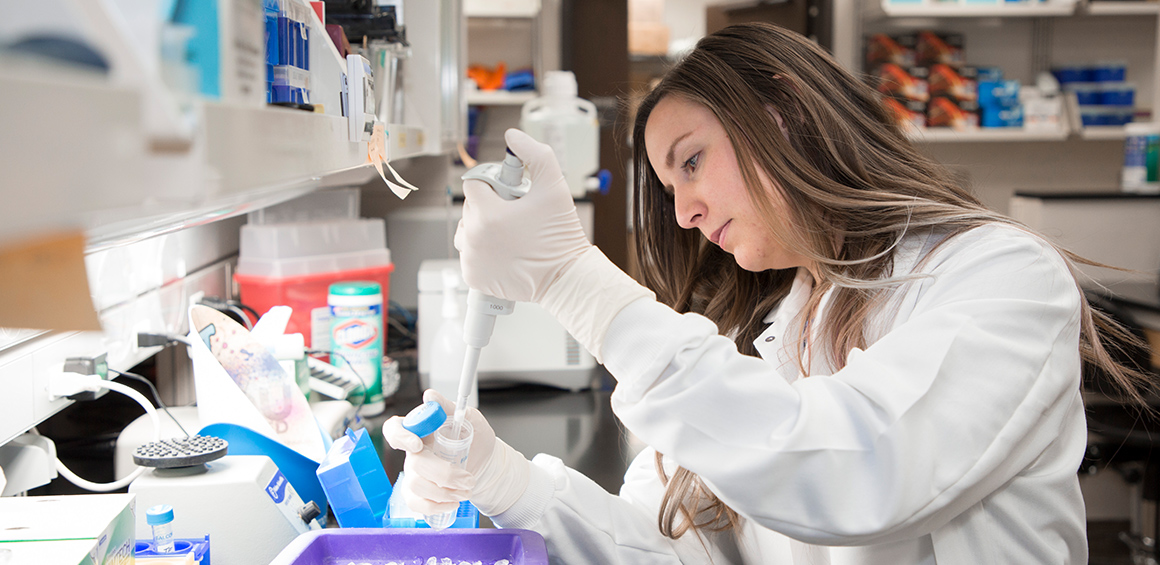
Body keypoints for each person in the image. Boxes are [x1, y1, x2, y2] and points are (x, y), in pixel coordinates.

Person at [384, 22, 1151, 564]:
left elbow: (857, 467)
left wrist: (570, 280)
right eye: (667, 183)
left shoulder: (998, 278)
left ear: (782, 114)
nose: (682, 211)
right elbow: (669, 550)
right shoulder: (773, 330)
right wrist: (504, 479)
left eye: (690, 161)